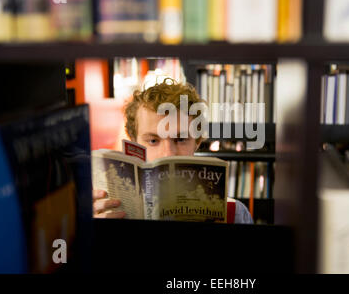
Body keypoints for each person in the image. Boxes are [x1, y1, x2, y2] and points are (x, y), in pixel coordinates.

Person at [93, 79, 253, 224]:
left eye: (180, 139)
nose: (168, 154)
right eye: (153, 141)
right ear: (135, 145)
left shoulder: (236, 214)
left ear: (197, 142)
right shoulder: (109, 211)